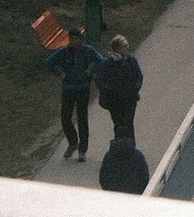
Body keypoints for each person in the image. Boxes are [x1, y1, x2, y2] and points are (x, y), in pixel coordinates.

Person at [44, 19, 105, 161]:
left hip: (83, 87)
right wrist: (59, 72)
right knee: (65, 118)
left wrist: (91, 69)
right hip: (68, 88)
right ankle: (73, 142)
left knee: (82, 118)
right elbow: (49, 63)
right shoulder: (63, 52)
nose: (74, 42)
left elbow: (101, 60)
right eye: (72, 39)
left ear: (81, 40)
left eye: (77, 39)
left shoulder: (88, 50)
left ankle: (82, 150)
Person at [97, 34, 144, 142]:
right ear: (117, 49)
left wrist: (135, 88)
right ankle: (119, 147)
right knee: (118, 125)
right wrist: (111, 91)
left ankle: (131, 147)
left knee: (129, 124)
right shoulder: (108, 63)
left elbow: (139, 76)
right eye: (125, 46)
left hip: (130, 99)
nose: (127, 48)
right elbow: (100, 80)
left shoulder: (131, 61)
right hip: (114, 100)